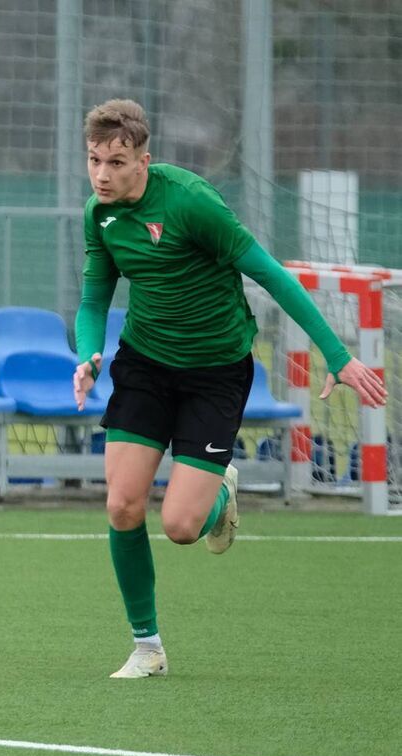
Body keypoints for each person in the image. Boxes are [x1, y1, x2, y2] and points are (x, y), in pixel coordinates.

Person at [71, 99, 387, 678]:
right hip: (145, 364)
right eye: (94, 160)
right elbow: (94, 298)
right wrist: (88, 352)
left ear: (146, 159)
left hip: (216, 370)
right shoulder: (99, 215)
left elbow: (270, 273)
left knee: (181, 528)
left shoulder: (192, 202)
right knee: (121, 505)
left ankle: (220, 491)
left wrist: (338, 356)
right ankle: (148, 647)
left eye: (116, 162)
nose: (102, 174)